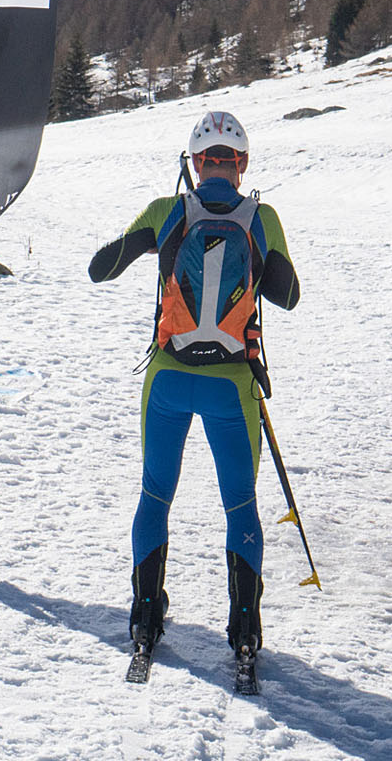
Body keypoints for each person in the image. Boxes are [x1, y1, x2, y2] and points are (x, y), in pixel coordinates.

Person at [88, 110, 301, 672]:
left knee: (155, 493)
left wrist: (152, 242)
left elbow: (100, 269)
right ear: (241, 164)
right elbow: (288, 297)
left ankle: (145, 614)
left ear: (195, 163)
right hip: (232, 386)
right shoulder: (263, 218)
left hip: (168, 378)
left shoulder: (167, 211)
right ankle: (245, 627)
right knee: (241, 504)